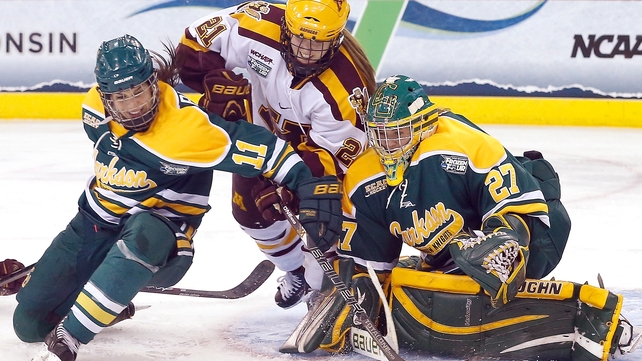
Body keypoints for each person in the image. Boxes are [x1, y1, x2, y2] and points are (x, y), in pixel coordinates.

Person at [15, 34, 343, 361]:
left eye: (139, 92)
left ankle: (72, 333)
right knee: (28, 325)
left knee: (145, 235)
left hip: (162, 240)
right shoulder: (92, 109)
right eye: (121, 98)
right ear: (104, 97)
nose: (133, 106)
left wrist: (309, 183)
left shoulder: (189, 129)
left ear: (153, 84)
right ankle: (109, 298)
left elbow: (267, 151)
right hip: (93, 225)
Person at [279, 75, 638, 360]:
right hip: (455, 251)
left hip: (537, 224)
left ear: (423, 124)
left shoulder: (463, 144)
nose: (388, 145)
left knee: (481, 255)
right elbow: (372, 263)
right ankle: (470, 273)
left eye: (399, 133)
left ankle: (518, 280)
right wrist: (358, 293)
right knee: (406, 278)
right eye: (380, 135)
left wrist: (505, 244)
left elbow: (517, 205)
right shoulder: (363, 177)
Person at [176, 0, 376, 309]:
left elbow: (334, 161)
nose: (307, 51)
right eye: (300, 39)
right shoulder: (256, 23)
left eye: (319, 43)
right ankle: (293, 269)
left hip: (316, 158)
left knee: (321, 221)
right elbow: (194, 43)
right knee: (249, 214)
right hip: (261, 137)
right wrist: (213, 82)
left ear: (336, 38)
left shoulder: (346, 91)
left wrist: (292, 186)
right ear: (285, 28)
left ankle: (317, 285)